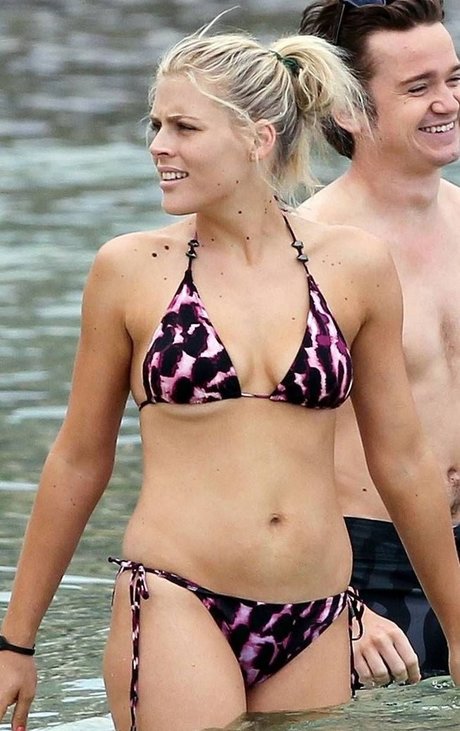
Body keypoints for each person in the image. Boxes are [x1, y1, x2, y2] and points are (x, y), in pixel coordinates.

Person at [1, 19, 460, 731]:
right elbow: (79, 459)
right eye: (157, 124)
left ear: (257, 138)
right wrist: (15, 641)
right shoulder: (129, 269)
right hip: (178, 596)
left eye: (184, 127)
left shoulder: (356, 266)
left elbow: (402, 462)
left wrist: (457, 628)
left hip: (317, 613)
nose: (159, 145)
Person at [298, 0, 460, 689]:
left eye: (455, 78)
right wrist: (335, 604)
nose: (447, 102)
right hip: (366, 576)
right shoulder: (307, 252)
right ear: (348, 109)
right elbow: (254, 459)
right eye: (418, 87)